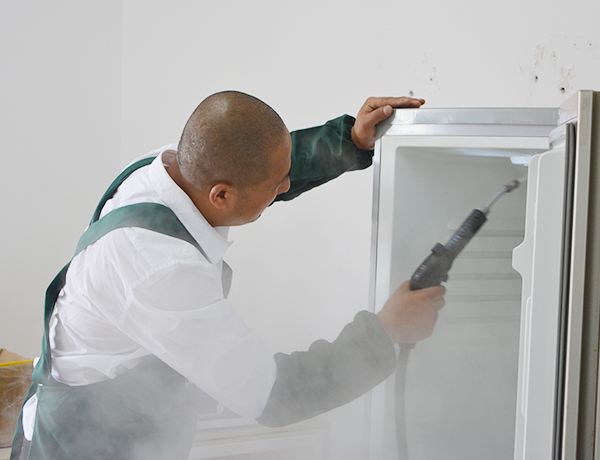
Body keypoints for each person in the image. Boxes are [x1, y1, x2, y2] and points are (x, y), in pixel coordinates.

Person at [11, 91, 445, 460]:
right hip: (82, 446)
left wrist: (348, 140)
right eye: (276, 186)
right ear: (220, 195)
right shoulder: (159, 269)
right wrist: (384, 332)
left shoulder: (170, 170)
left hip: (119, 413)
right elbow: (273, 395)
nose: (285, 187)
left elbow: (253, 164)